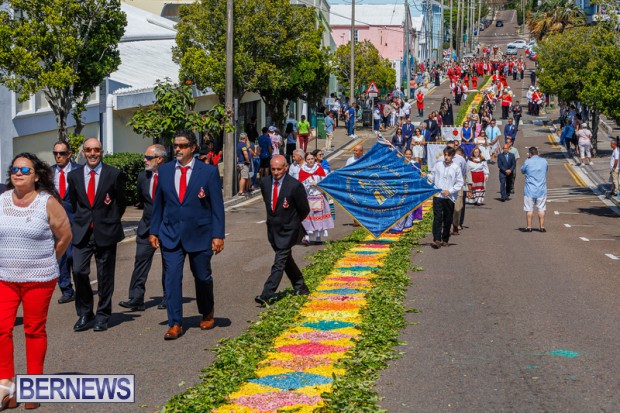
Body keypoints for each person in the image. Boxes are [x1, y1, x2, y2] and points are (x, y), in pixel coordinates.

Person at [0, 153, 72, 411]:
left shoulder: (47, 202)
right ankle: (6, 387)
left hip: (39, 279)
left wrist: (47, 260)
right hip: (5, 278)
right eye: (14, 169)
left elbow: (64, 236)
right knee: (2, 329)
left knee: (33, 330)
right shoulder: (1, 201)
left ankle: (33, 386)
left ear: (36, 176)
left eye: (24, 169)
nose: (18, 173)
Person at [150, 130, 225, 340]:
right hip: (171, 234)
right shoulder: (164, 171)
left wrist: (218, 235)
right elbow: (159, 204)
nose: (178, 149)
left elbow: (217, 208)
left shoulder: (208, 172)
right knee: (172, 278)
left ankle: (207, 310)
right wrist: (154, 230)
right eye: (175, 146)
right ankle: (175, 323)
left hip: (200, 234)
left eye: (182, 146)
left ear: (192, 148)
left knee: (202, 276)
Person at [69, 138, 127, 333]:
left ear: (101, 152)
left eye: (96, 150)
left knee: (105, 276)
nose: (92, 153)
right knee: (78, 271)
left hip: (106, 232)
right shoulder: (74, 176)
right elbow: (75, 202)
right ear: (83, 153)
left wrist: (109, 221)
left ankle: (103, 315)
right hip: (82, 232)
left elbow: (121, 203)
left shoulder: (114, 174)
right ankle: (85, 313)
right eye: (88, 150)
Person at [255, 155, 310, 305]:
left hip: (289, 230)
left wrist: (292, 223)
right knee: (286, 261)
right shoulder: (265, 183)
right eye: (273, 169)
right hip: (273, 230)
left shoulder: (294, 185)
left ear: (286, 168)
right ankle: (301, 287)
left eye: (279, 169)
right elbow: (269, 204)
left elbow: (304, 209)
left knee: (279, 262)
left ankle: (266, 294)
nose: (276, 172)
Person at [119, 145, 167, 312]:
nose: (144, 160)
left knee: (168, 264)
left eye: (148, 158)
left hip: (166, 227)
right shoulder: (142, 177)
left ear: (159, 159)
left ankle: (169, 297)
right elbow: (143, 200)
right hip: (146, 227)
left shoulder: (170, 176)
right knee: (140, 261)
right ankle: (136, 298)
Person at [51, 140, 76, 304]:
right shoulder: (47, 173)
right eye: (55, 154)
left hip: (75, 219)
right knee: (60, 257)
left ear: (69, 154)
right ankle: (66, 289)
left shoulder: (79, 171)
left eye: (62, 153)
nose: (58, 156)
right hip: (54, 221)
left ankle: (82, 285)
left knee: (75, 255)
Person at [424, 146, 464, 249]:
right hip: (438, 195)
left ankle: (445, 238)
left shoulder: (456, 168)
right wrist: (426, 176)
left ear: (452, 156)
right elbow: (432, 177)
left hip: (449, 198)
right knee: (437, 217)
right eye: (445, 155)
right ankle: (437, 239)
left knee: (447, 218)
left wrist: (450, 191)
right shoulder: (438, 165)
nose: (446, 157)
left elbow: (460, 183)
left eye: (448, 155)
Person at [299, 152, 334, 245]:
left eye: (312, 159)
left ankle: (318, 236)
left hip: (319, 196)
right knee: (308, 217)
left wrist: (317, 184)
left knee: (318, 217)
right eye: (308, 159)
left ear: (314, 159)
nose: (310, 161)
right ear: (305, 160)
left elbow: (324, 181)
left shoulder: (319, 168)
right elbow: (300, 185)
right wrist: (308, 185)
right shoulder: (302, 170)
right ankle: (306, 237)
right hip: (309, 196)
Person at [521, 146, 548, 232]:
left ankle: (529, 227)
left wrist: (528, 160)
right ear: (537, 153)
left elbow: (523, 170)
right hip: (541, 189)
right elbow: (546, 170)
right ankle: (542, 227)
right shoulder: (544, 161)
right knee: (541, 208)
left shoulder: (528, 161)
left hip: (530, 189)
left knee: (529, 209)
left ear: (530, 154)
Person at [452, 147, 468, 235]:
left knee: (458, 207)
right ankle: (450, 224)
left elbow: (464, 172)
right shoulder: (444, 161)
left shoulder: (462, 161)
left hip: (459, 186)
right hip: (448, 186)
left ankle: (456, 224)